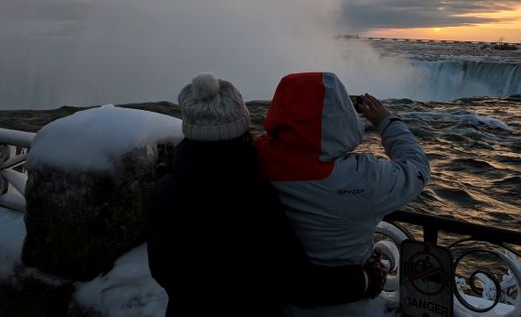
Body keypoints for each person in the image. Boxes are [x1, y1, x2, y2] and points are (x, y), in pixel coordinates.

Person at [145, 73, 387, 317]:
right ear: (241, 128)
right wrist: (366, 279)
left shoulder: (163, 191)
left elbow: (160, 271)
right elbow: (301, 286)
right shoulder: (252, 198)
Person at [254, 72, 431, 316]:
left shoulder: (255, 159)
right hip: (353, 304)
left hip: (280, 304)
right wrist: (387, 122)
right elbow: (418, 169)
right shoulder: (366, 177)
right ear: (343, 117)